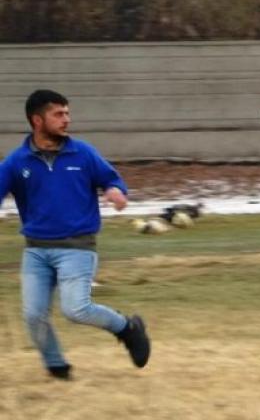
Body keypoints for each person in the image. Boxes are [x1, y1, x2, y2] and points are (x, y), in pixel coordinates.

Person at [0, 89, 150, 380]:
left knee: (75, 309)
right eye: (58, 114)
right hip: (35, 251)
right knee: (33, 315)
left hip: (77, 248)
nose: (66, 119)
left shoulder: (83, 154)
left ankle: (127, 328)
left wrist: (115, 191)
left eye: (67, 113)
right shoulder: (17, 161)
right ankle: (57, 367)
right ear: (37, 120)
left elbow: (111, 180)